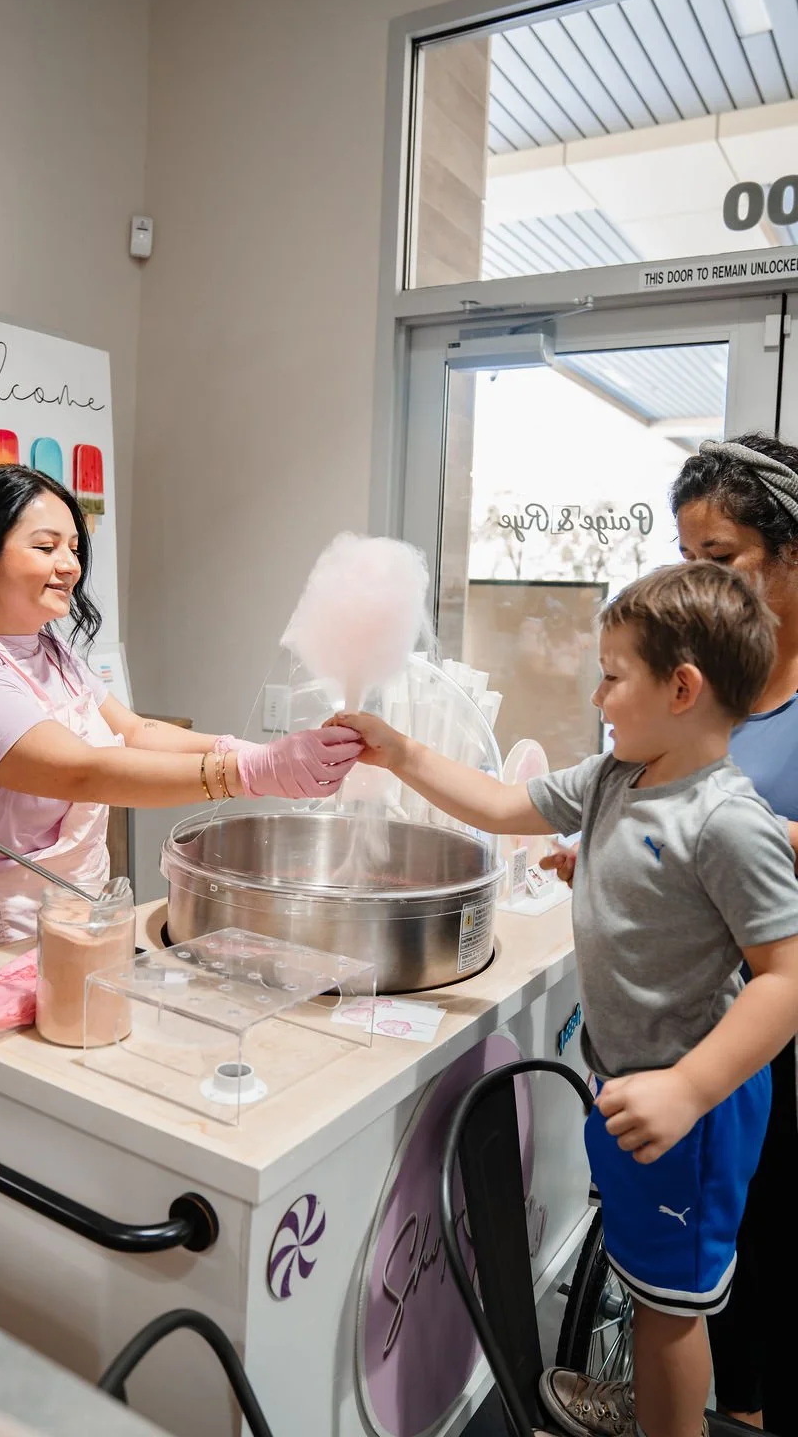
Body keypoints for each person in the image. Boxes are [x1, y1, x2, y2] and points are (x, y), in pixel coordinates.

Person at [335, 562, 798, 1437]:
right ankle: (644, 1413)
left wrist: (688, 1089)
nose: (598, 693)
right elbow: (508, 804)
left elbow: (786, 978)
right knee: (647, 1281)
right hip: (634, 1089)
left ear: (683, 688)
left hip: (692, 1108)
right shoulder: (622, 778)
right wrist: (401, 752)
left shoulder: (728, 821)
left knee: (671, 1317)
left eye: (614, 675)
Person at [543, 433, 798, 1433]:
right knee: (700, 1291)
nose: (698, 575)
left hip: (754, 1028)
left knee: (764, 1261)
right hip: (704, 1027)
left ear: (788, 552)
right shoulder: (698, 691)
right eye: (684, 553)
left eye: (720, 557)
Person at [0, 463, 362, 962]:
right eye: (46, 547)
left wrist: (250, 750)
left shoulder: (50, 651)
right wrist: (251, 773)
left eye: (74, 549)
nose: (70, 566)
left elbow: (133, 731)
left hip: (66, 902)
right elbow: (82, 772)